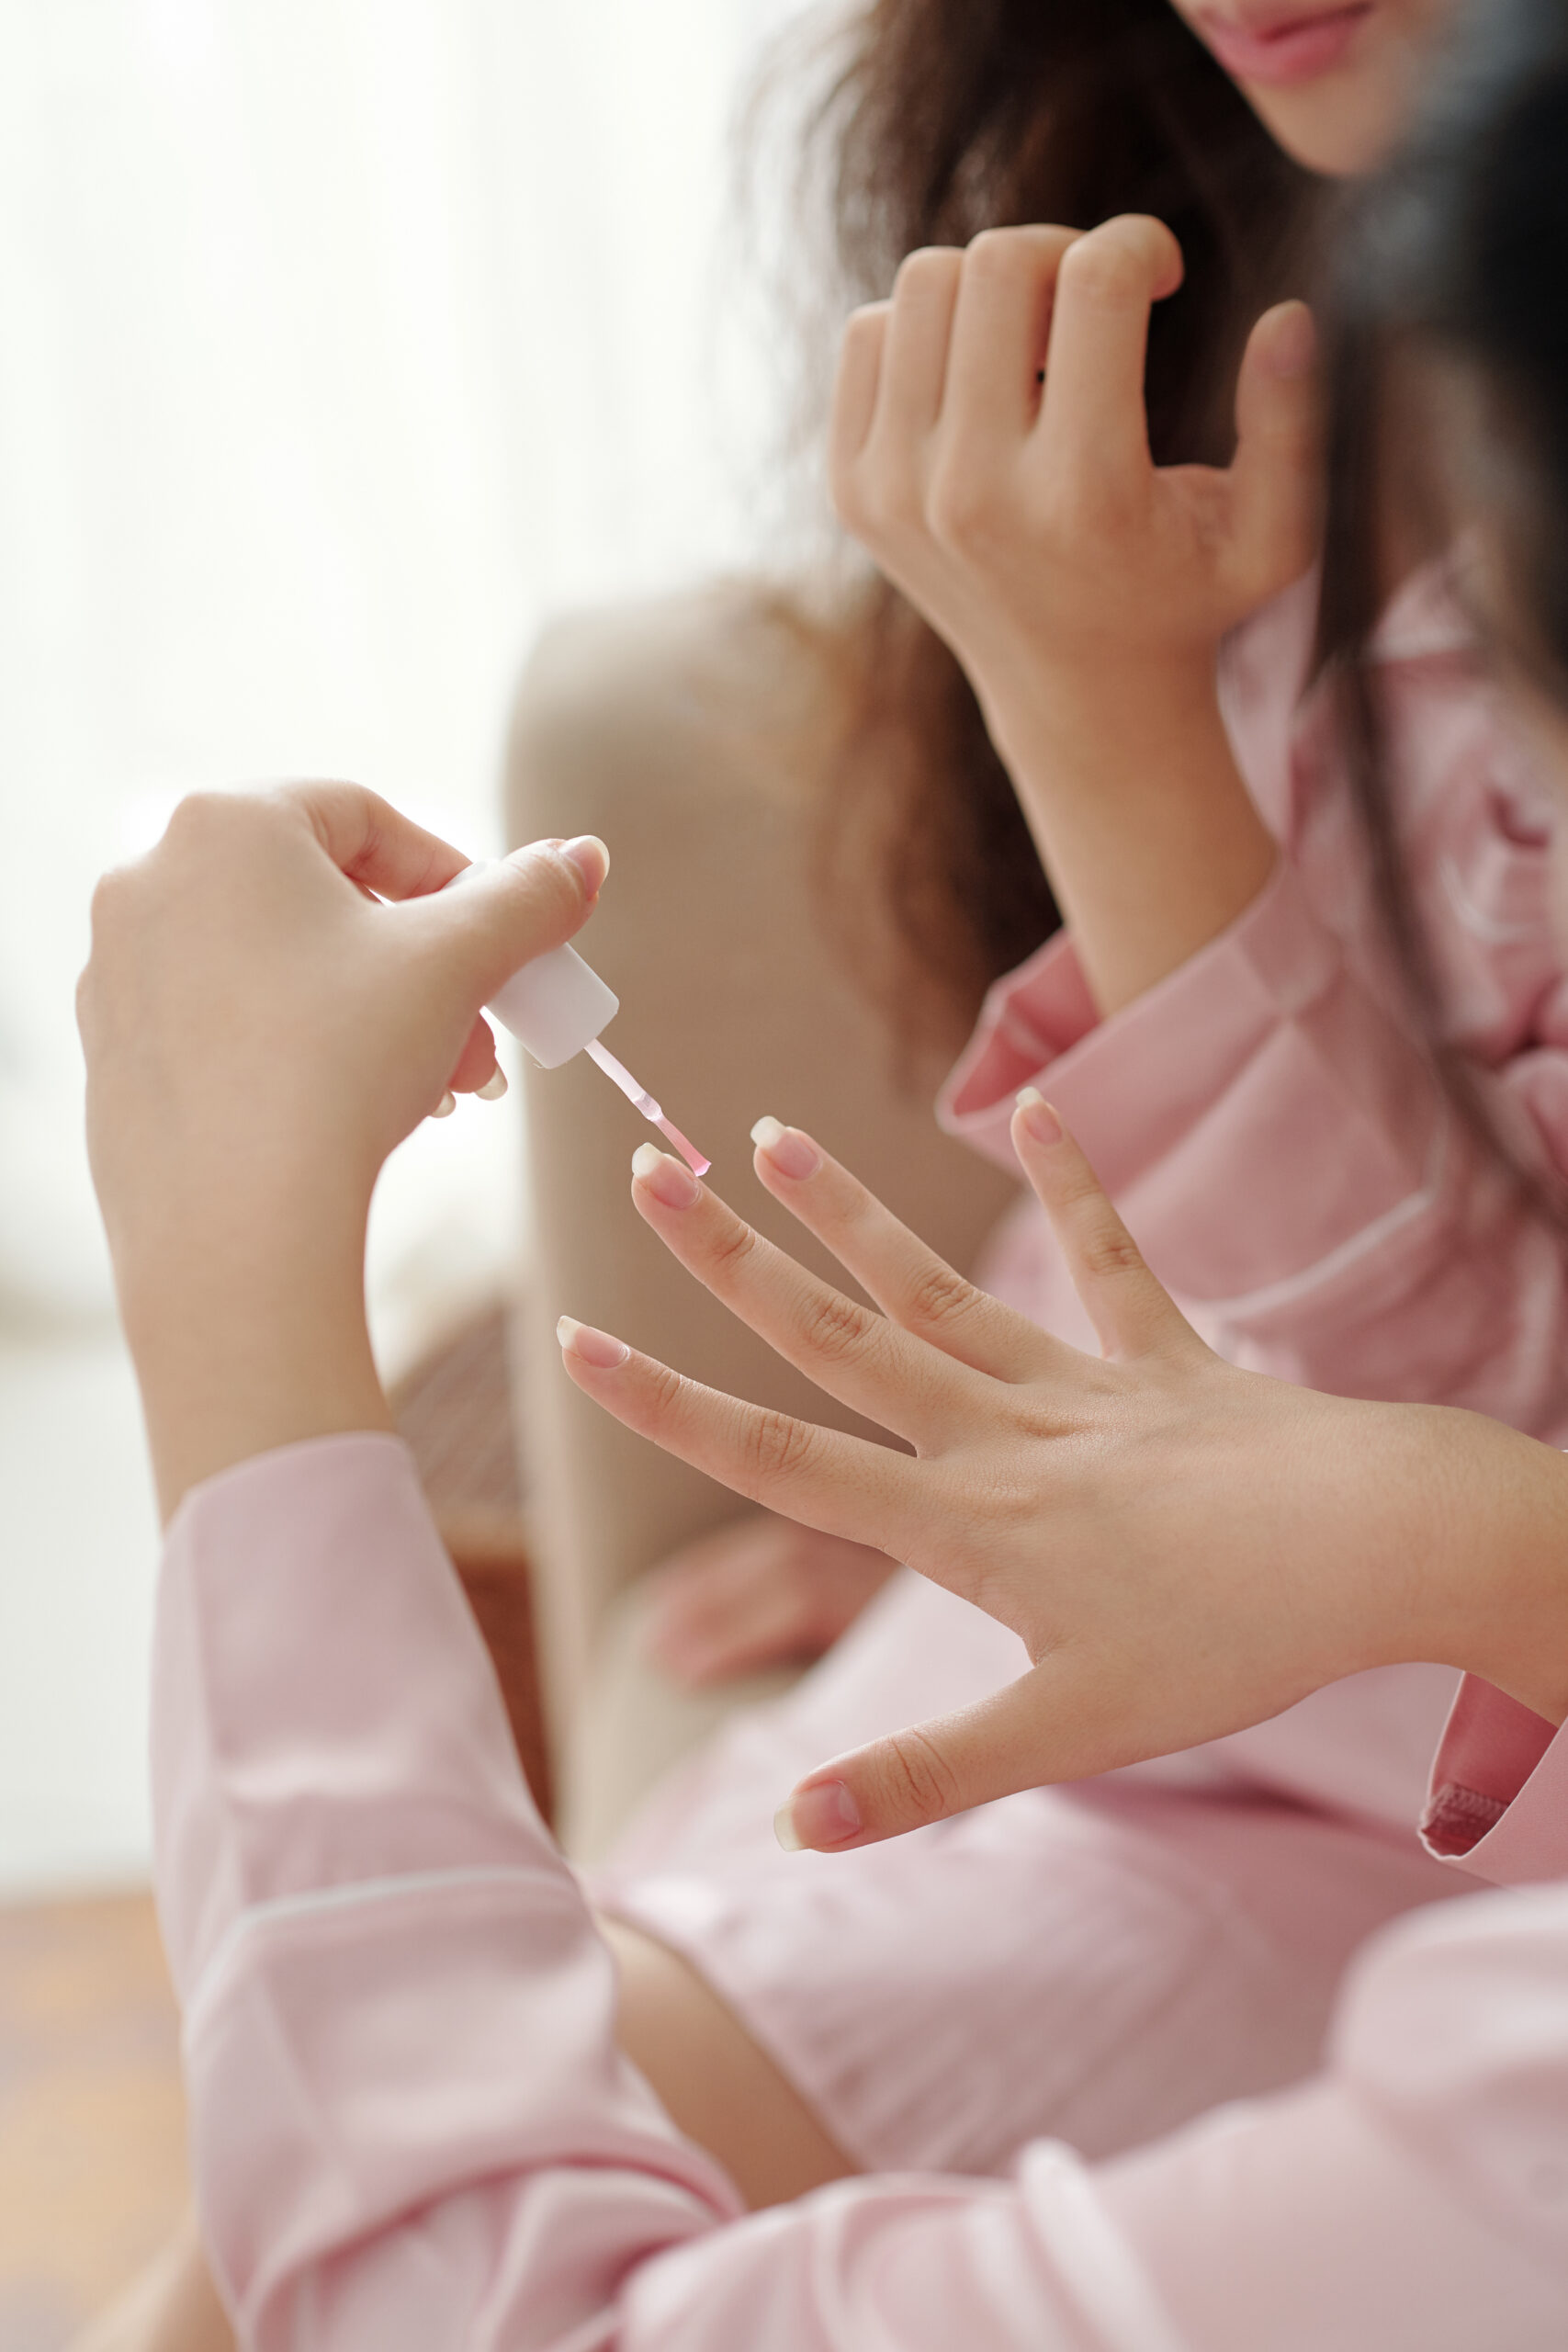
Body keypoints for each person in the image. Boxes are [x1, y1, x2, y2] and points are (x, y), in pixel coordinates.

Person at [73, 6, 1568, 2323]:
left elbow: (466, 2300)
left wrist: (232, 1280)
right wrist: (967, 1416)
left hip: (1413, 1768)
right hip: (1187, 1593)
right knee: (216, 2282)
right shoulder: (1264, 272)